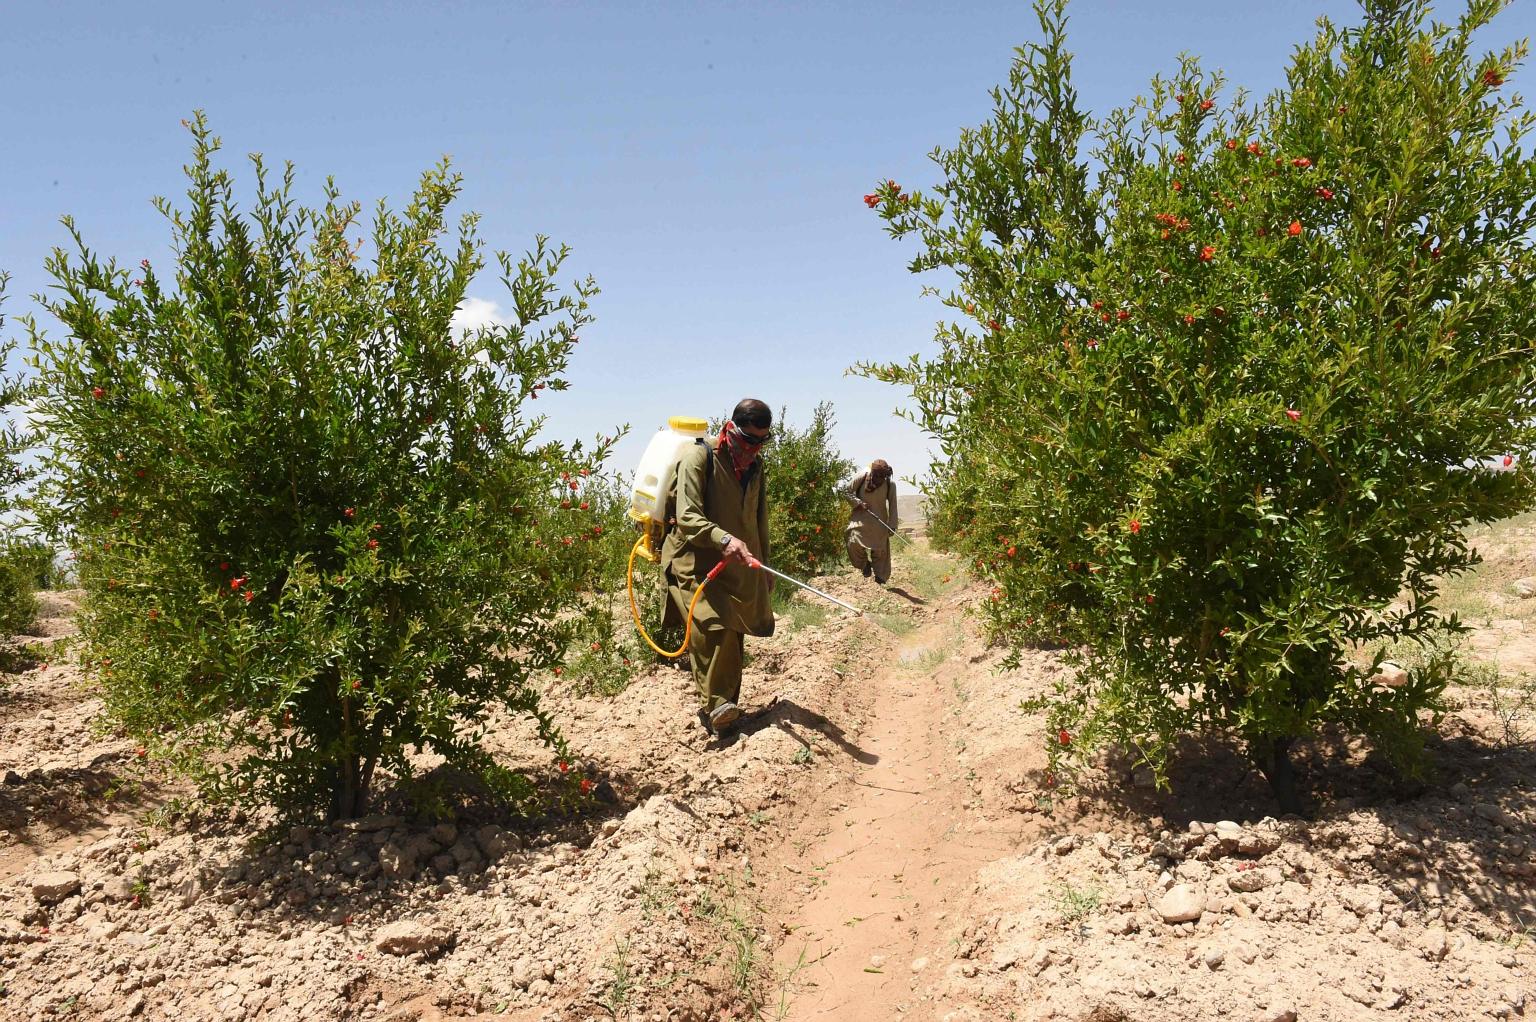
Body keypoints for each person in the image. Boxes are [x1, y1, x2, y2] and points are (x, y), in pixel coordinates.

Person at [659, 398, 775, 736]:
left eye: (762, 441)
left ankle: (725, 707)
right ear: (732, 428)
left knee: (734, 631)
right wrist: (723, 539)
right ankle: (717, 707)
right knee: (712, 627)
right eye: (750, 440)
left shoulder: (755, 467)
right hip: (693, 560)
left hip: (736, 563)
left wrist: (764, 564)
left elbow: (759, 519)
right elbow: (688, 516)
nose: (755, 448)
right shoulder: (699, 457)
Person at [844, 459, 898, 584]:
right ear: (872, 472)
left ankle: (880, 578)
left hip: (879, 524)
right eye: (877, 475)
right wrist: (858, 503)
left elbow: (893, 505)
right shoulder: (862, 476)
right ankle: (864, 565)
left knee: (880, 553)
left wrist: (892, 525)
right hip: (860, 521)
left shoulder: (890, 484)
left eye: (882, 476)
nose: (879, 478)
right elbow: (846, 491)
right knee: (852, 542)